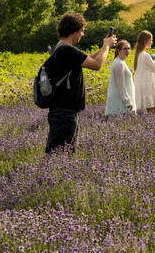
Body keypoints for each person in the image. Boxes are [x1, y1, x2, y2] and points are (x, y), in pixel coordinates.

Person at [43, 12, 117, 153]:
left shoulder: (61, 48)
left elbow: (86, 58)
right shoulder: (67, 50)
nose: (82, 35)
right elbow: (97, 65)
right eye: (82, 31)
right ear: (74, 31)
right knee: (61, 154)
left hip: (61, 111)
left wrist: (103, 48)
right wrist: (106, 46)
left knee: (57, 152)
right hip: (65, 113)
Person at [104, 40, 137, 117]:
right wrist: (128, 102)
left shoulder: (121, 62)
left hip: (121, 99)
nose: (127, 51)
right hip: (120, 100)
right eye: (125, 49)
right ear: (119, 50)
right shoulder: (119, 64)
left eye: (128, 48)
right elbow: (120, 86)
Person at [132, 31, 155, 114]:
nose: (152, 42)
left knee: (148, 112)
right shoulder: (145, 55)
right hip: (149, 87)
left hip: (142, 86)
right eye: (151, 40)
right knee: (153, 110)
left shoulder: (138, 55)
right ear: (146, 41)